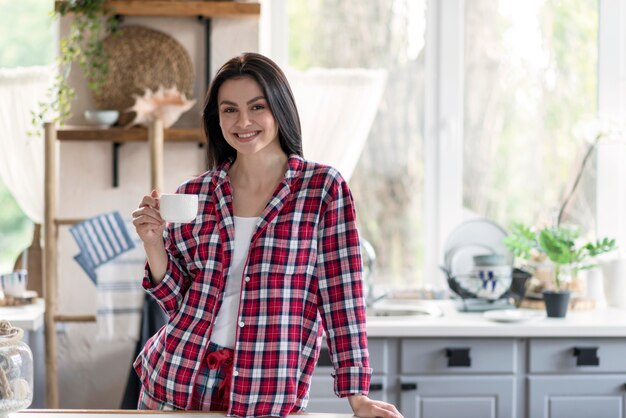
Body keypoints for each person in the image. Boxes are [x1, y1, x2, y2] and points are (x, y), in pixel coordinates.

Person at [131, 52, 403, 418]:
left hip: (265, 392)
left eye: (256, 107)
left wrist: (358, 398)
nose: (243, 121)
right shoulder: (197, 194)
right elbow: (178, 301)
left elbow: (342, 300)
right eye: (229, 110)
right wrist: (153, 243)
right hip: (176, 381)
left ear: (279, 108)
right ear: (218, 118)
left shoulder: (322, 189)